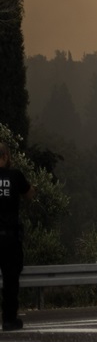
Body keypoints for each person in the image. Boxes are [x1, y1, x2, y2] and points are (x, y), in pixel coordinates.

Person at [0, 142, 35, 331]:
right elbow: (29, 194)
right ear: (5, 156)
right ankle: (9, 320)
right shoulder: (15, 176)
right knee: (11, 280)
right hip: (9, 238)